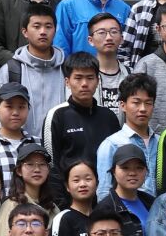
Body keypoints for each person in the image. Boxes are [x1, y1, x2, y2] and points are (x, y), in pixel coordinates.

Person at [0, 2, 66, 141]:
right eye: (36, 26)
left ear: (55, 30)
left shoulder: (66, 68)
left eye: (48, 26)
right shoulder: (11, 70)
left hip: (60, 149)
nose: (43, 32)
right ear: (25, 32)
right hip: (20, 150)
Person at [42, 52, 119, 180]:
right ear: (67, 82)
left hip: (106, 190)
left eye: (90, 78)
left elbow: (118, 159)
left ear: (97, 81)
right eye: (78, 78)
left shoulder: (109, 117)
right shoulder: (57, 115)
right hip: (69, 191)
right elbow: (51, 164)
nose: (84, 84)